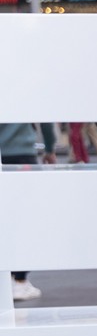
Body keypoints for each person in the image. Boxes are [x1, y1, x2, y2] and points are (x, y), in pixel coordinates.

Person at [2, 122, 43, 301]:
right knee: (24, 219)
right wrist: (49, 147)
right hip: (22, 154)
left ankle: (6, 278)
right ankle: (19, 281)